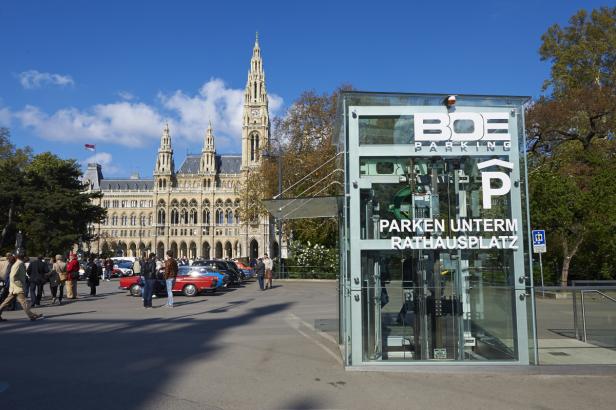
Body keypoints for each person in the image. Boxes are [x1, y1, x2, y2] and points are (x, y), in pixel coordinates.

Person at [0, 254, 44, 321]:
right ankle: (32, 316)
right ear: (23, 258)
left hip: (14, 288)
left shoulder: (18, 263)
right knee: (24, 302)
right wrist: (20, 284)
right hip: (17, 288)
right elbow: (12, 276)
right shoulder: (19, 263)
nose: (27, 259)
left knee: (6, 302)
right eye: (25, 257)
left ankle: (32, 315)